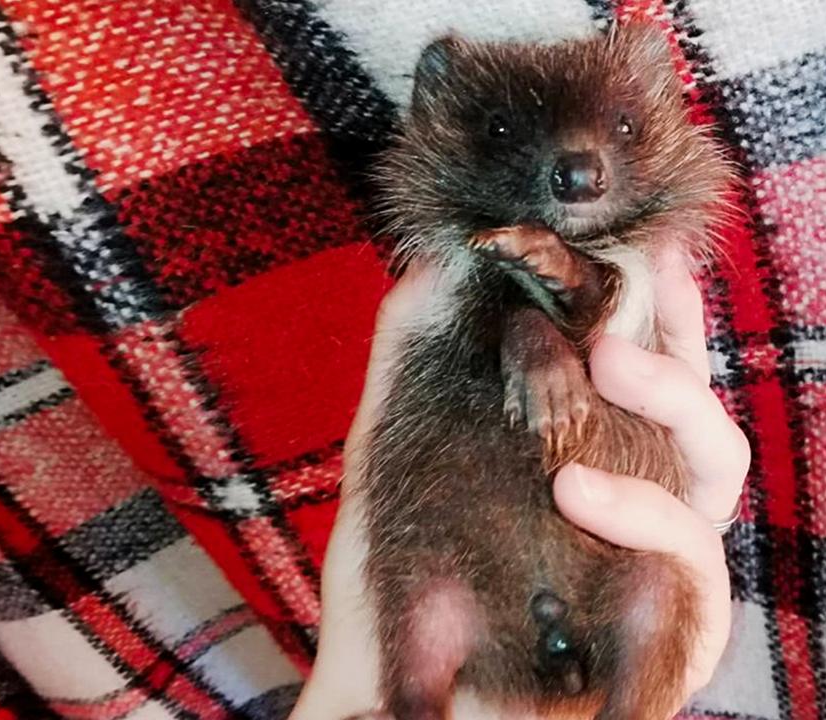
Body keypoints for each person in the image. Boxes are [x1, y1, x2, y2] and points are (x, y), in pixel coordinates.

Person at [290, 247, 751, 718]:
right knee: (435, 604)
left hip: (590, 586)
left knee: (654, 587)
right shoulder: (455, 270)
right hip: (468, 598)